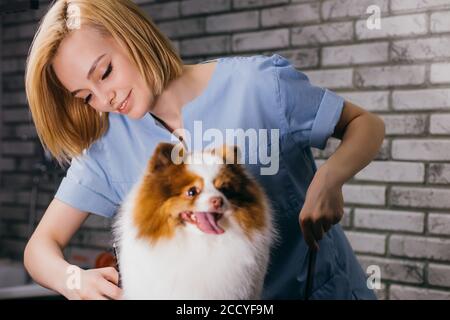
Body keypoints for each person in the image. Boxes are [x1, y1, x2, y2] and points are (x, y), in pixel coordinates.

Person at [23, 0, 385, 300]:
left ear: (132, 36)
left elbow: (365, 124)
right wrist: (75, 280)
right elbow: (40, 248)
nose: (105, 99)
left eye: (105, 73)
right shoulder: (109, 146)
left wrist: (330, 177)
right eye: (86, 97)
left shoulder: (260, 87)